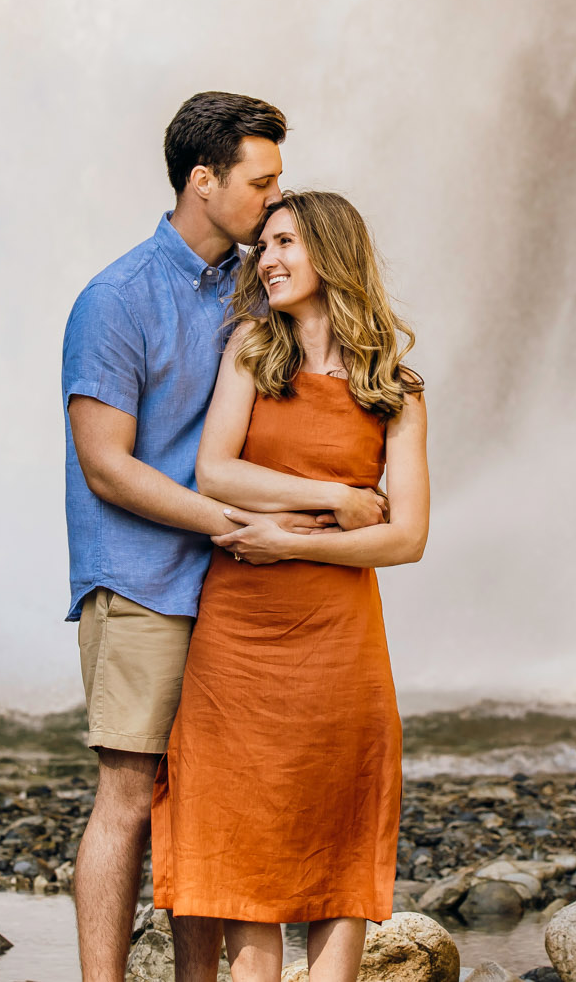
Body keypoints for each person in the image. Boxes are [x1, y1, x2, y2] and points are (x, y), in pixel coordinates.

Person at [63, 93, 354, 982]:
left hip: (239, 594)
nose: (275, 201)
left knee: (207, 809)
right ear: (203, 180)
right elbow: (107, 465)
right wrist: (241, 522)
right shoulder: (115, 299)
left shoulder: (257, 283)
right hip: (145, 582)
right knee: (128, 798)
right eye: (261, 182)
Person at [151, 190, 431, 982]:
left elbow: (407, 535)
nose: (265, 260)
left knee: (339, 842)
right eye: (264, 245)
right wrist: (334, 501)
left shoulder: (397, 390)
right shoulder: (251, 349)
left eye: (284, 244)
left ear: (332, 253)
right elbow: (216, 469)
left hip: (340, 644)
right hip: (238, 642)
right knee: (242, 839)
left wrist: (282, 540)